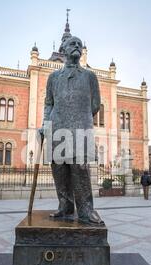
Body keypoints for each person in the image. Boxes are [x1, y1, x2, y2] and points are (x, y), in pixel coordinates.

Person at [40, 35, 102, 224]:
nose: (76, 46)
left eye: (79, 44)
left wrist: (78, 116)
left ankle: (86, 210)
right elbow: (48, 103)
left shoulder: (90, 76)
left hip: (80, 128)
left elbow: (95, 105)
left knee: (80, 170)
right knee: (59, 169)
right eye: (72, 44)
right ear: (63, 49)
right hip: (56, 128)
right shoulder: (53, 77)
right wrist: (45, 123)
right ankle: (65, 207)